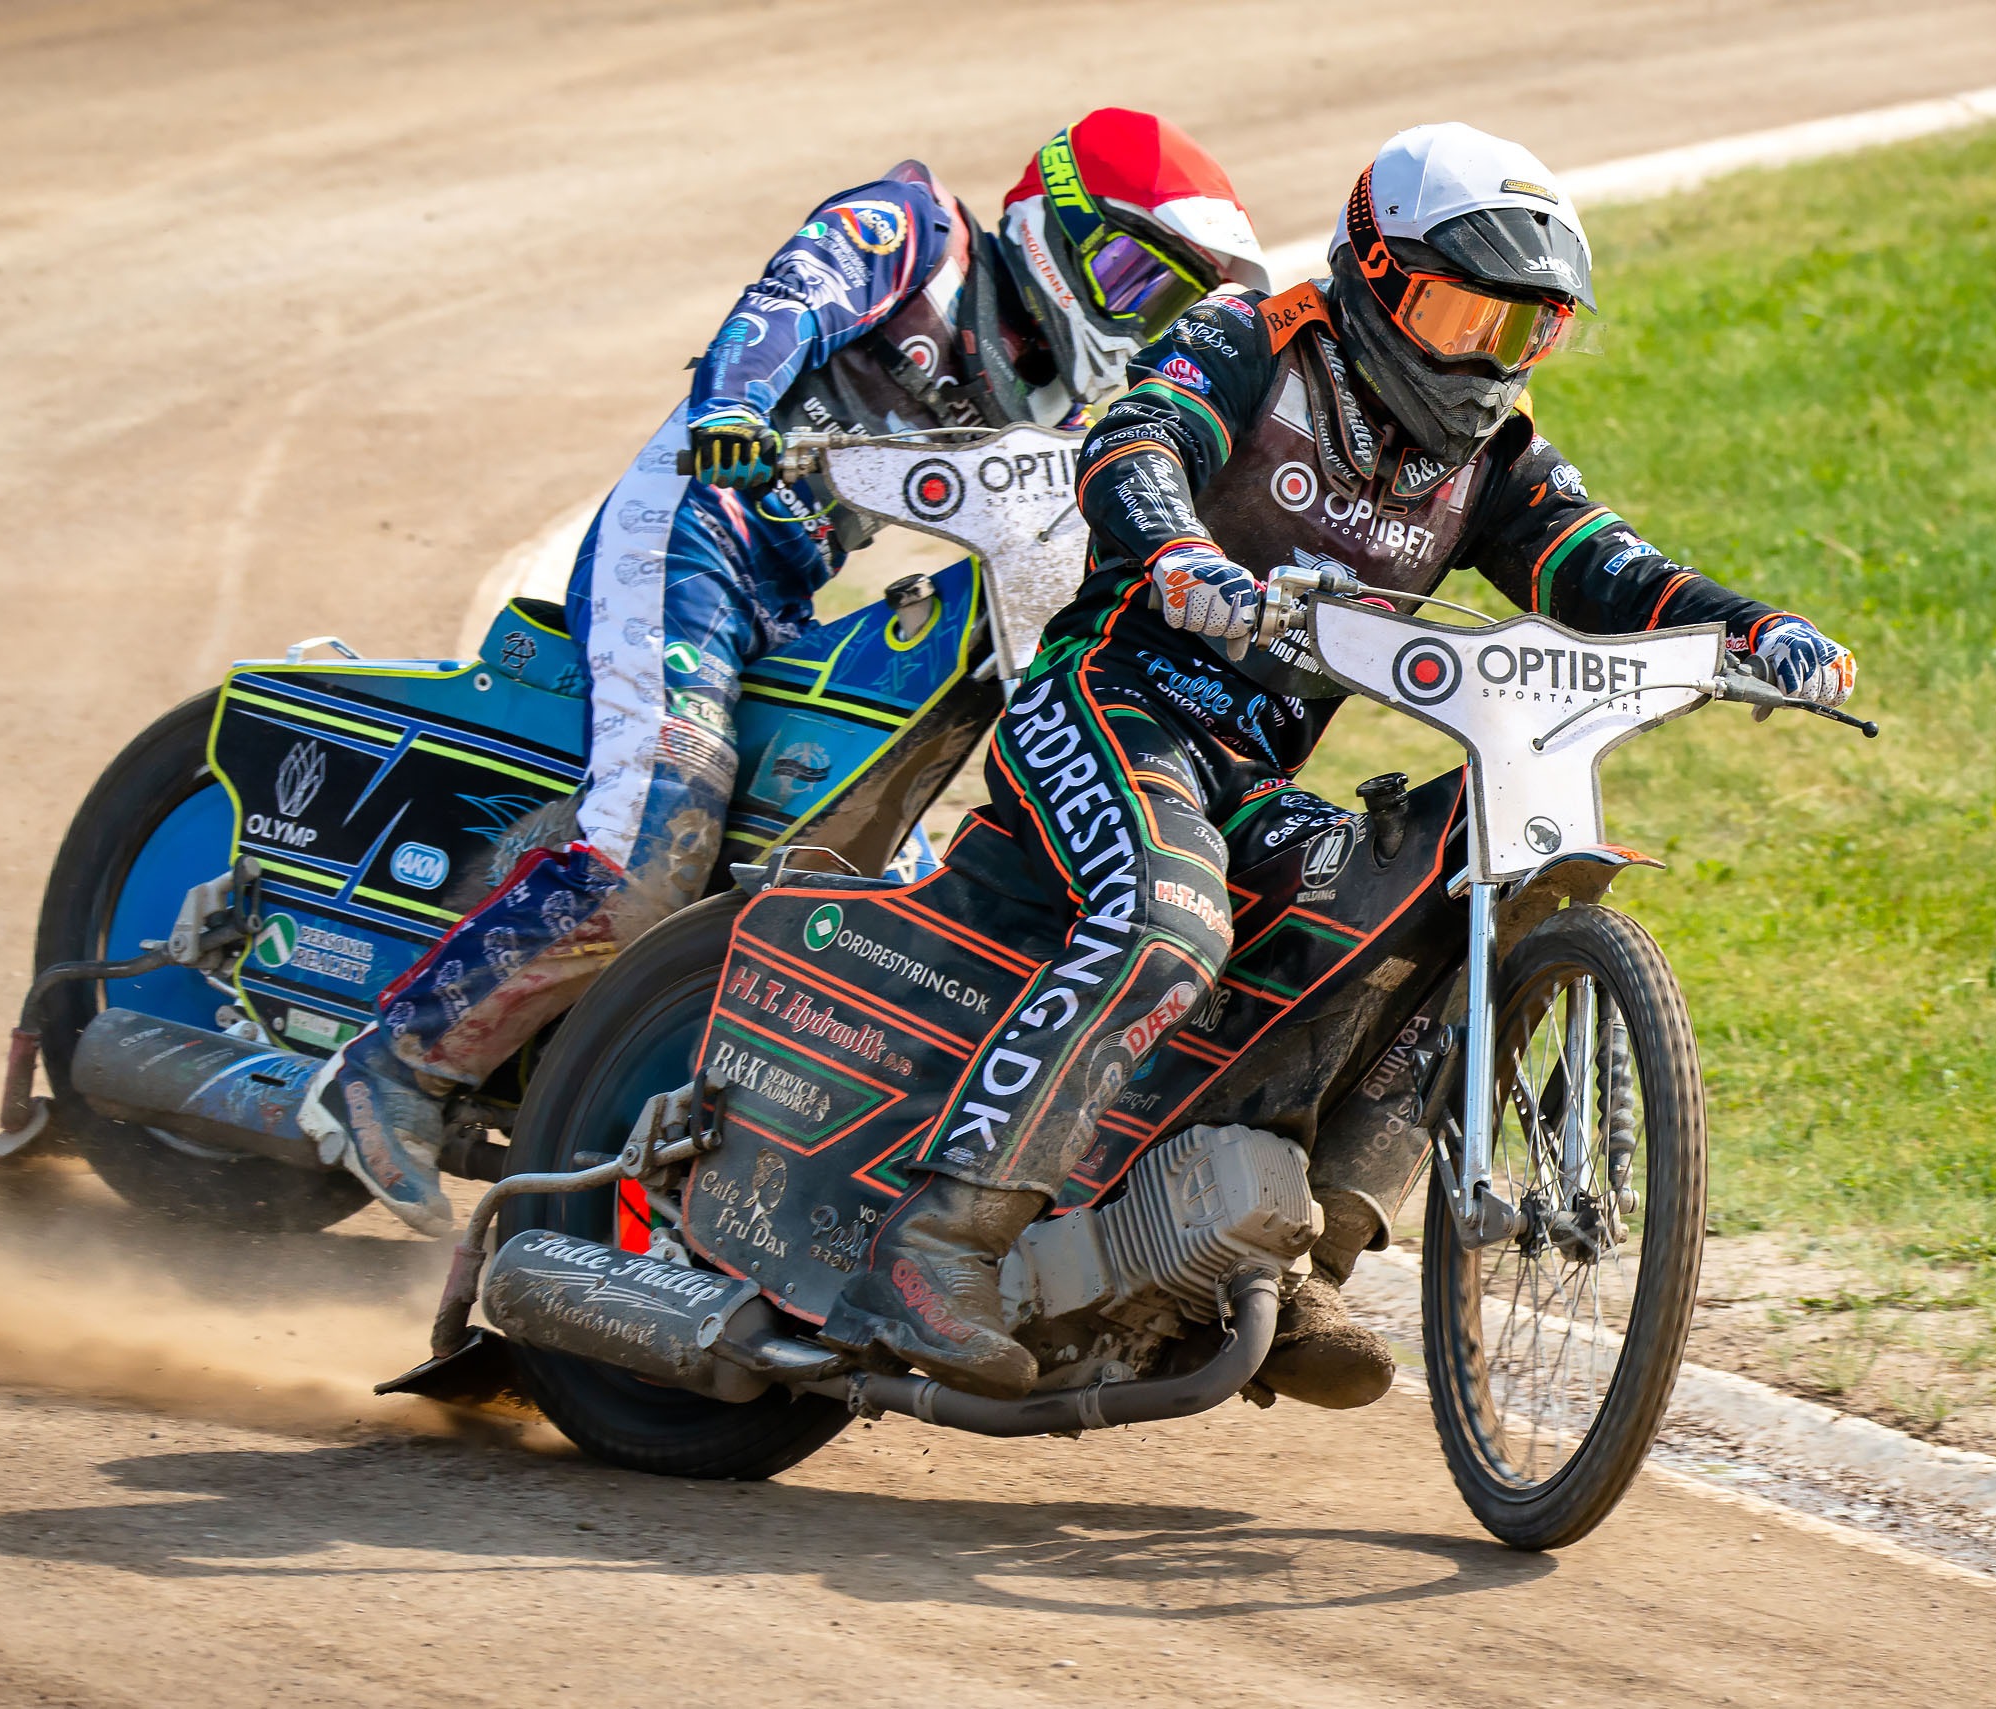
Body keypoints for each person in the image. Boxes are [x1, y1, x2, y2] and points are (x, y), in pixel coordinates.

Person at [821, 123, 1858, 1403]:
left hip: (1247, 776)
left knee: (1422, 901)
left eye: (1523, 331)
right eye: (1459, 312)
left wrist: (1750, 625)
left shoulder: (1485, 457)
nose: (1485, 360)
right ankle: (930, 1248)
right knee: (1168, 919)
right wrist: (1177, 556)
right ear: (1370, 269)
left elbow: (1599, 564)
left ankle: (1303, 1234)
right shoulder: (1255, 339)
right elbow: (1133, 442)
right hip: (1110, 702)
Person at [292, 111, 1270, 1235]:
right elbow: (785, 300)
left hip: (789, 586)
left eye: (1166, 298)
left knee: (861, 874)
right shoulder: (913, 230)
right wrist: (733, 405)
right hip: (692, 532)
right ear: (1049, 216)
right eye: (1126, 269)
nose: (1133, 306)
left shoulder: (1057, 395)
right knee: (662, 821)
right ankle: (393, 1067)